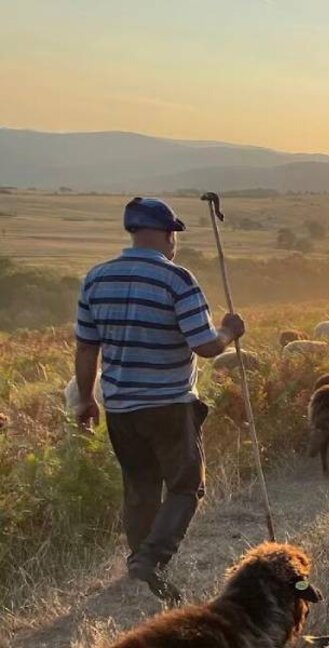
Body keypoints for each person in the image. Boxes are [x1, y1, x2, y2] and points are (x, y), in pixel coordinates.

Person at [72, 197, 246, 604]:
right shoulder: (176, 279)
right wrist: (228, 331)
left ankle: (138, 563)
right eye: (174, 236)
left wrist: (85, 399)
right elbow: (204, 346)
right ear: (168, 235)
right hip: (168, 403)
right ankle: (151, 559)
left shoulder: (96, 279)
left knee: (140, 486)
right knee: (186, 486)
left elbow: (85, 349)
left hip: (119, 405)